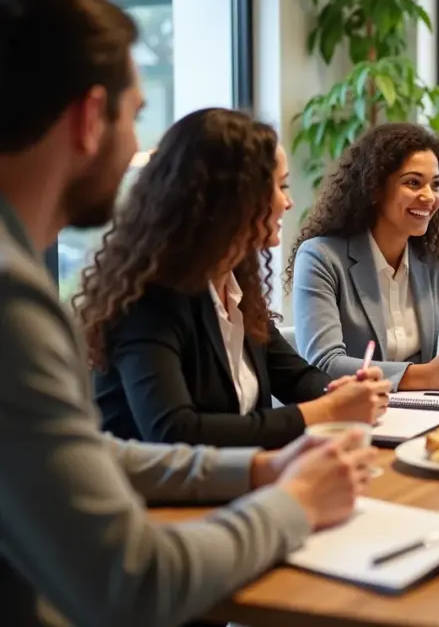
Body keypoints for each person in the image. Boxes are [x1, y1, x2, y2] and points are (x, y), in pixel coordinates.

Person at [0, 0, 380, 627]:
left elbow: (95, 454)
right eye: (136, 114)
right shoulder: (15, 301)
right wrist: (294, 500)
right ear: (93, 117)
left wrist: (260, 470)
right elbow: (132, 583)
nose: (137, 151)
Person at [77, 108, 391, 449]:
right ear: (235, 198)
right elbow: (174, 431)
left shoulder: (236, 283)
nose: (288, 202)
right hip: (159, 499)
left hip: (235, 484)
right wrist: (327, 411)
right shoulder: (149, 299)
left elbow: (295, 376)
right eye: (281, 186)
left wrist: (340, 391)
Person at [287, 122, 439, 391]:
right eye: (413, 183)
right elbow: (325, 363)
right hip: (353, 419)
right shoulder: (321, 257)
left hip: (423, 413)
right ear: (374, 188)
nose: (429, 197)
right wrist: (425, 376)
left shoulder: (434, 260)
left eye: (435, 185)